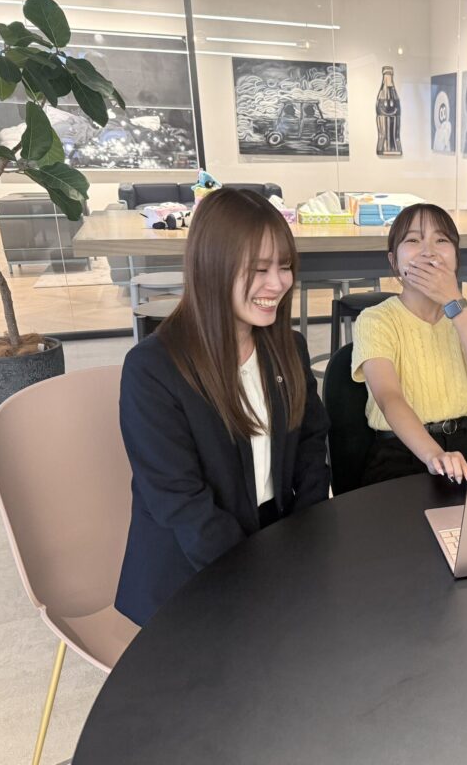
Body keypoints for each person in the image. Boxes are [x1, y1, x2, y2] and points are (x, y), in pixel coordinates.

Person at [116, 188, 330, 625]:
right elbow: (182, 504)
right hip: (190, 576)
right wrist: (258, 581)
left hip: (276, 548)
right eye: (259, 269)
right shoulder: (152, 370)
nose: (278, 284)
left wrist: (304, 549)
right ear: (212, 267)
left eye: (284, 266)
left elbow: (311, 449)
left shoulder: (287, 347)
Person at [352, 203, 467, 486]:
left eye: (441, 240)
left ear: (456, 257)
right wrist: (435, 455)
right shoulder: (376, 319)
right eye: (413, 240)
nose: (428, 251)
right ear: (393, 261)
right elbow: (388, 397)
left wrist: (453, 301)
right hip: (399, 450)